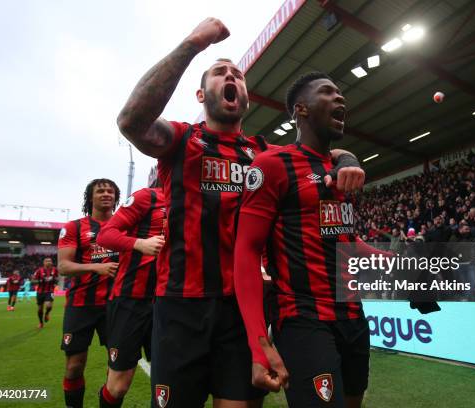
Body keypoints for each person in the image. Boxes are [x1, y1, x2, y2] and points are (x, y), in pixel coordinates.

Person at [117, 18, 364, 408]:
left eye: (238, 75)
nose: (231, 75)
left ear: (246, 96)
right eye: (220, 73)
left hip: (242, 309)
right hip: (181, 305)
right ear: (201, 95)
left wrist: (347, 156)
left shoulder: (265, 154)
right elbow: (131, 121)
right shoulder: (182, 139)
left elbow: (323, 156)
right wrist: (193, 44)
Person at [234, 72, 371, 408]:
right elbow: (246, 253)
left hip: (353, 317)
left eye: (341, 93)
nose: (340, 98)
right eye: (328, 92)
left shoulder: (343, 172)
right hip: (303, 319)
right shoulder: (273, 165)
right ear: (301, 110)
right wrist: (258, 343)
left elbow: (349, 246)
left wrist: (409, 271)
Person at [96, 175, 165, 408]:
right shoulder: (148, 196)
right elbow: (105, 234)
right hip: (131, 301)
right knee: (118, 386)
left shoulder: (192, 201)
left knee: (169, 380)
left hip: (171, 304)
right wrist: (140, 244)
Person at [58, 179, 120, 408]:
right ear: (90, 197)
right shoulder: (74, 227)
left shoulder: (125, 226)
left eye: (110, 191)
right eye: (100, 190)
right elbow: (64, 267)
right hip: (80, 305)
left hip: (116, 305)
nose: (106, 194)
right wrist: (97, 267)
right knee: (74, 366)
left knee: (116, 366)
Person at [32, 257, 59, 328]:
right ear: (44, 263)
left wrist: (55, 281)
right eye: (47, 261)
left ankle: (47, 314)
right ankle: (41, 322)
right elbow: (33, 281)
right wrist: (40, 281)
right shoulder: (39, 270)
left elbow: (57, 278)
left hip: (50, 291)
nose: (48, 262)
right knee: (40, 308)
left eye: (50, 261)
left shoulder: (55, 270)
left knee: (49, 305)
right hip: (40, 292)